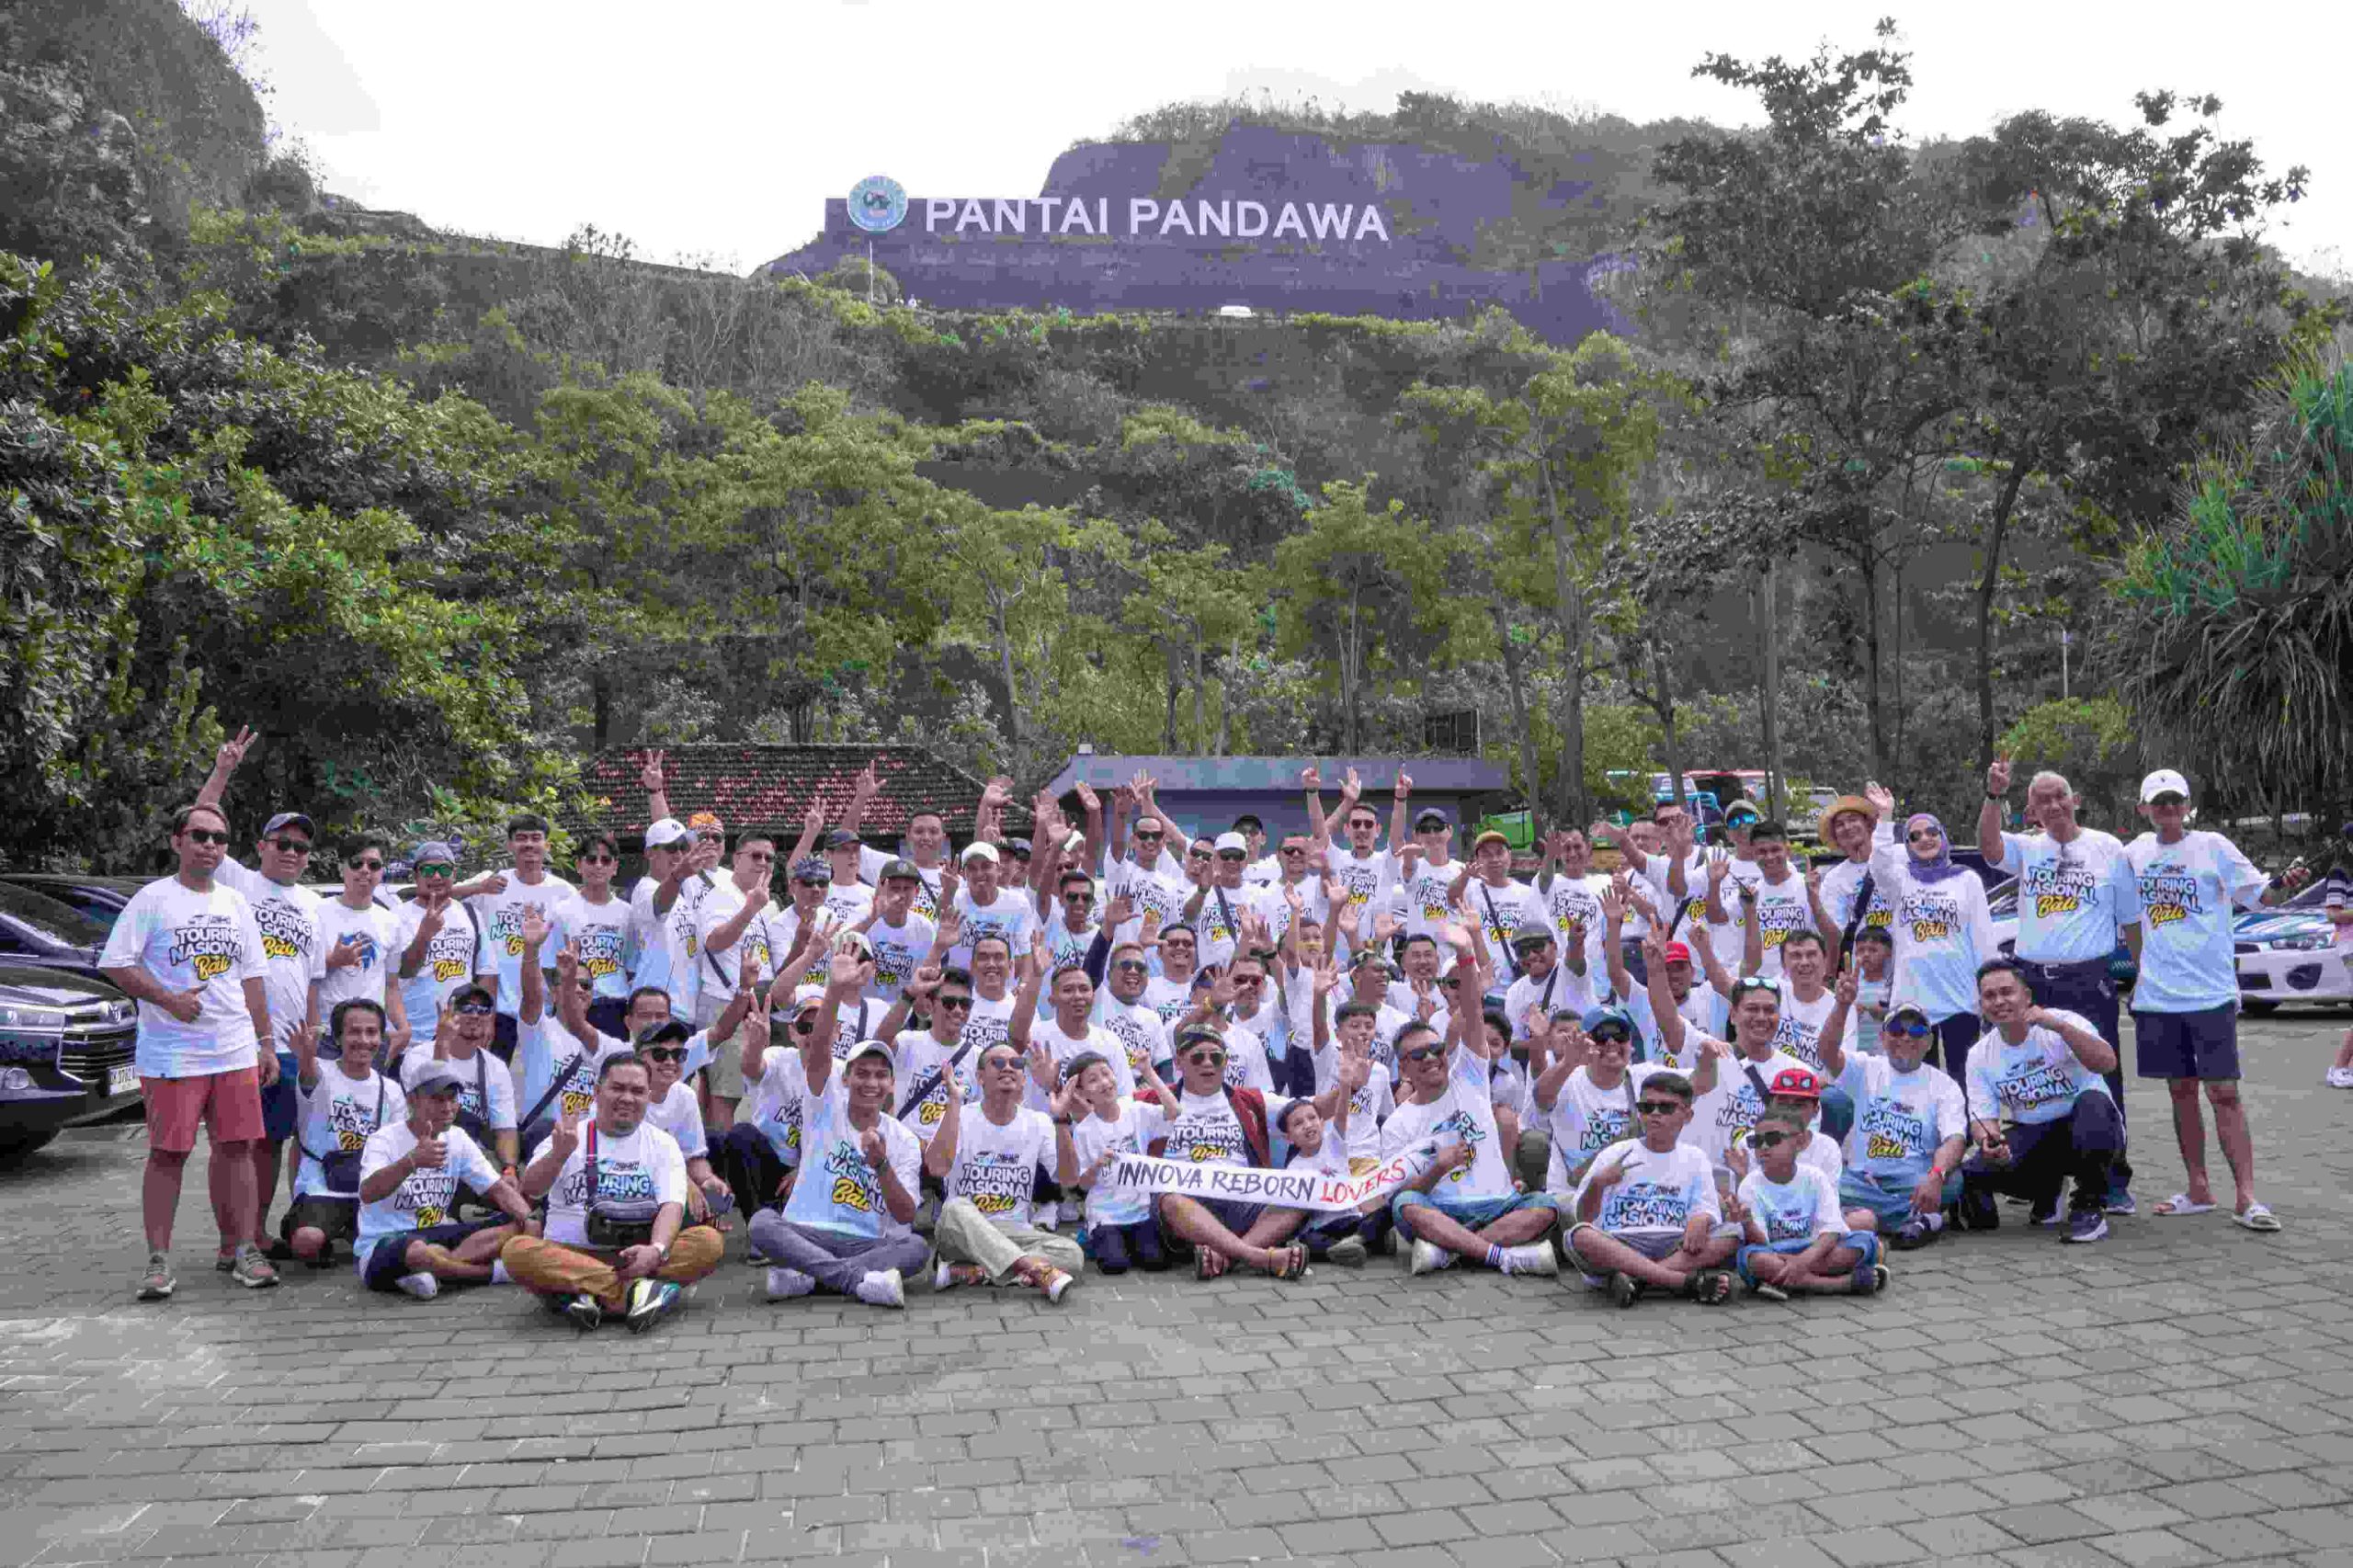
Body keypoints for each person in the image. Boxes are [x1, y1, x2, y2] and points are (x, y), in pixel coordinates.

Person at [98, 801, 279, 1299]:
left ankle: (242, 1249)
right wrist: (168, 1000)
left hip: (234, 1047)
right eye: (199, 836)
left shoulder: (235, 903)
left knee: (238, 1148)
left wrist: (265, 1042)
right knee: (168, 1153)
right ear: (177, 841)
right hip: (173, 1052)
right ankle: (158, 1261)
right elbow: (116, 963)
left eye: (219, 838)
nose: (210, 846)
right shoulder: (153, 899)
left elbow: (253, 978)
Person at [2123, 768, 2303, 1231]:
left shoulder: (2213, 846)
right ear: (2143, 809)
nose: (2168, 808)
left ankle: (2247, 1197)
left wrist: (2283, 883)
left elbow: (2261, 896)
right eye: (2159, 802)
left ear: (2187, 806)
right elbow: (2120, 911)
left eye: (2175, 800)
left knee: (2224, 1092)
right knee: (2181, 1092)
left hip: (2211, 993)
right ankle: (2198, 1189)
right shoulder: (2134, 853)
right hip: (2159, 997)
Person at [1978, 758, 2143, 1213]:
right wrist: (1994, 795)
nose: (2053, 805)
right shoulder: (2028, 849)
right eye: (2042, 800)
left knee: (2102, 1078)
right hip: (2033, 981)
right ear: (2031, 810)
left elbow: (2131, 920)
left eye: (2059, 796)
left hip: (2089, 981)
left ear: (2075, 800)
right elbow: (1990, 847)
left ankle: (2112, 1181)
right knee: (2037, 1077)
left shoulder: (2108, 848)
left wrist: (2142, 977)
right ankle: (2044, 1180)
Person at [750, 948, 931, 1308]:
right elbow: (818, 1048)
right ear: (845, 1079)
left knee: (916, 1247)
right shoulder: (823, 1108)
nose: (871, 1083)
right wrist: (834, 988)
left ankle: (808, 1276)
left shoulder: (903, 1138)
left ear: (892, 1084)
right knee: (762, 1224)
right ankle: (854, 1280)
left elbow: (907, 1215)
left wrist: (881, 1165)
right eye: (861, 1073)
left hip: (866, 1241)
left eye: (880, 1075)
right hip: (808, 1231)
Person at [502, 1053, 722, 1330]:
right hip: (570, 1256)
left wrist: (656, 1250)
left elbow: (672, 1207)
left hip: (637, 1256)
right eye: (617, 1088)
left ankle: (585, 1294)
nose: (627, 1098)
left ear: (648, 1096)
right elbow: (531, 1189)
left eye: (637, 1091)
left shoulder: (663, 1144)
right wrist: (558, 1155)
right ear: (597, 1092)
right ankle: (633, 1295)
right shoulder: (568, 1136)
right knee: (517, 1251)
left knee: (708, 1242)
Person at [1133, 1025, 1346, 1279]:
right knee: (1170, 1201)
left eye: (1216, 1057)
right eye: (1198, 1057)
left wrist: (1349, 1085)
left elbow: (1314, 1109)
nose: (1208, 1063)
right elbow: (1107, 1114)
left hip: (1244, 1200)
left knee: (1302, 1192)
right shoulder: (1151, 1100)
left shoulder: (1249, 1100)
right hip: (1188, 1202)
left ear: (1225, 1062)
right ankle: (1260, 1258)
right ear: (1179, 1062)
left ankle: (1225, 1258)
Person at [1382, 995, 1565, 1277]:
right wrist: (1438, 1168)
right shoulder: (1396, 1125)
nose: (1430, 1058)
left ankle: (1449, 1251)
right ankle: (1504, 1256)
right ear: (1403, 1068)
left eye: (1436, 1050)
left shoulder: (1471, 1079)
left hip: (1498, 1206)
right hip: (1442, 1210)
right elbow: (1400, 1193)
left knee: (1546, 1206)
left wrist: (1471, 972)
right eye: (1418, 1055)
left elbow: (1473, 1012)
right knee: (1405, 1205)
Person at [1958, 959, 2125, 1244]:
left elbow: (2107, 1063)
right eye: (1989, 995)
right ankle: (2048, 1190)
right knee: (1977, 1169)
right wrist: (1990, 1141)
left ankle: (2089, 1205)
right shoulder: (1979, 1055)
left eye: (2007, 992)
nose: (1999, 1001)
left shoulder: (2062, 1022)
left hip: (2090, 1129)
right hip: (2037, 1134)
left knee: (2093, 1105)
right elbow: (1983, 1118)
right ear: (1981, 1004)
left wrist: (2060, 1028)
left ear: (2027, 996)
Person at [354, 1058, 538, 1298]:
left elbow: (498, 1190)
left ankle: (435, 1270)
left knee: (517, 1222)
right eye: (438, 1100)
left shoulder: (457, 1137)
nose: (448, 1107)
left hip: (439, 1232)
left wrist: (530, 1219)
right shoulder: (384, 1139)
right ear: (412, 1100)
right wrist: (411, 1161)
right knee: (417, 1252)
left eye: (452, 1099)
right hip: (387, 1242)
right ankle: (492, 1273)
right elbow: (367, 1193)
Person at [1563, 1071, 1740, 1307]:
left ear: (1687, 1115)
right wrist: (1597, 1184)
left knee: (1733, 1233)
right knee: (1579, 1235)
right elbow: (1583, 1217)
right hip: (1620, 1245)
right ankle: (1682, 1283)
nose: (1655, 1113)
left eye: (1666, 1108)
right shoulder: (1615, 1153)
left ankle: (1638, 1280)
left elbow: (1706, 1206)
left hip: (1674, 1246)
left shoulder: (1695, 1157)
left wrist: (1702, 1218)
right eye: (1647, 1107)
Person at [927, 1041, 1084, 1301]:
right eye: (997, 1063)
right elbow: (936, 1167)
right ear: (980, 1077)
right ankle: (1034, 1270)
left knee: (1073, 1254)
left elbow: (1068, 1179)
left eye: (1016, 1063)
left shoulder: (1039, 1122)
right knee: (954, 1207)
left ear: (1024, 1078)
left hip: (1014, 1231)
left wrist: (1061, 1120)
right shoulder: (960, 1115)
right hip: (964, 1230)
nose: (1008, 1068)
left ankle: (972, 1272)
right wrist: (954, 1102)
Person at [1816, 989, 1967, 1250]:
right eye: (1897, 1030)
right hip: (1860, 1179)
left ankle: (1861, 1217)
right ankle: (1914, 1218)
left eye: (1917, 1031)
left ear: (1929, 1041)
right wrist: (1842, 1006)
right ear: (1882, 1037)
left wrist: (1936, 1175)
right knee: (1826, 1181)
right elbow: (1827, 1053)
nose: (1906, 1037)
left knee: (1952, 1182)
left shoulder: (1945, 1086)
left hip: (1911, 1182)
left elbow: (1955, 1139)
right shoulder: (1865, 1068)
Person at [1867, 812, 1997, 1083]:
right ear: (1907, 844)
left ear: (1943, 835)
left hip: (1960, 999)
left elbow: (1983, 940)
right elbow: (1879, 864)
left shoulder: (1967, 879)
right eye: (1915, 836)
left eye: (1932, 832)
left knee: (1965, 1078)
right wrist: (1885, 818)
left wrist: (1989, 991)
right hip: (1912, 1000)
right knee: (1917, 1080)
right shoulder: (1900, 881)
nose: (1925, 839)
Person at [279, 998, 407, 1267]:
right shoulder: (320, 1072)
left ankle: (353, 1233)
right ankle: (331, 1234)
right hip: (323, 1189)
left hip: (370, 1189)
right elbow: (309, 1075)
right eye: (354, 1032)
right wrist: (305, 1057)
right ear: (338, 1038)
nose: (364, 1040)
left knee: (406, 1241)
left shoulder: (391, 1090)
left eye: (371, 1032)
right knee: (307, 1242)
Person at [1531, 1003, 1711, 1193]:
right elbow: (1541, 1098)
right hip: (1573, 1195)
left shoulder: (1645, 1076)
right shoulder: (1567, 1078)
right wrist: (1568, 1062)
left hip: (1635, 1195)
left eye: (1620, 1035)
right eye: (1601, 1036)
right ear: (1585, 1041)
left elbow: (1702, 1083)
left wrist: (1709, 1057)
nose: (1612, 1043)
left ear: (1631, 1045)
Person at [1731, 1105, 1886, 1300]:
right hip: (1776, 1252)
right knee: (1754, 1259)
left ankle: (1787, 1282)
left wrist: (1802, 1261)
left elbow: (1832, 1230)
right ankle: (1841, 1284)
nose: (1763, 1147)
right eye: (1757, 1141)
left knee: (1865, 1240)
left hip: (1815, 1249)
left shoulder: (1815, 1177)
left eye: (1772, 1139)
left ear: (1799, 1142)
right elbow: (1762, 1242)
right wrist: (1748, 1224)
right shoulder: (1749, 1185)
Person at [456, 812, 575, 1059]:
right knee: (488, 1075)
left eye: (536, 838)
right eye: (521, 838)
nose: (529, 844)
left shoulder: (564, 892)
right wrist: (479, 887)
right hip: (495, 1008)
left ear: (547, 845)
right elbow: (436, 895)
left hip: (542, 1008)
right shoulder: (492, 881)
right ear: (509, 845)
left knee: (543, 1078)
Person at [399, 983, 521, 1187]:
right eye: (466, 1008)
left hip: (476, 1159)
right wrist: (443, 1042)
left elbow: (505, 1128)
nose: (475, 1015)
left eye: (483, 1010)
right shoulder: (418, 1056)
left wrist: (509, 1170)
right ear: (448, 1013)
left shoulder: (496, 1067)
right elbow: (432, 1108)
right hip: (429, 1153)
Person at [1068, 1051, 1179, 1273]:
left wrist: (1148, 1072)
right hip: (1106, 1214)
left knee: (1156, 1262)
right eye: (1093, 1080)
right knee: (1114, 1266)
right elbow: (1083, 1184)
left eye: (1106, 1073)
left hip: (1140, 1210)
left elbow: (1174, 1111)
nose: (1104, 1082)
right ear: (1081, 1092)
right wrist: (1097, 1166)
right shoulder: (1083, 1131)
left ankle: (1125, 1243)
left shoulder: (1134, 1110)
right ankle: (1093, 1236)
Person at [313, 832, 409, 1065]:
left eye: (373, 865)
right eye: (357, 863)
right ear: (342, 868)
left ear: (381, 871)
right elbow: (303, 976)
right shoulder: (316, 912)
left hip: (372, 1038)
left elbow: (391, 985)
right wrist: (333, 961)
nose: (365, 870)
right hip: (327, 1036)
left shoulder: (391, 922)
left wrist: (404, 1028)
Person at [393, 843, 480, 1070]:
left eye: (444, 869)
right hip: (412, 1040)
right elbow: (404, 970)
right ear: (415, 875)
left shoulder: (470, 914)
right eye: (428, 870)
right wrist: (425, 934)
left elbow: (486, 973)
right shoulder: (397, 917)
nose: (437, 877)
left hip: (460, 1037)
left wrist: (486, 1024)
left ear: (454, 873)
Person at [550, 831, 632, 1040]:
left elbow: (631, 967)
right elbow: (550, 967)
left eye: (606, 860)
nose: (598, 865)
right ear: (579, 865)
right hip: (574, 1005)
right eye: (591, 859)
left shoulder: (628, 913)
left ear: (615, 867)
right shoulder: (561, 911)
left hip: (615, 1008)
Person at [1451, 829, 1541, 983]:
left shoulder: (1528, 894)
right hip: (1480, 983)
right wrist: (1464, 876)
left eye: (1500, 853)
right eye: (1486, 854)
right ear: (1476, 859)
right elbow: (1451, 897)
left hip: (1520, 982)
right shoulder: (1469, 891)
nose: (1494, 859)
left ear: (1509, 856)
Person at [946, 842, 1036, 971]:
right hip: (961, 982)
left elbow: (1026, 952)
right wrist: (948, 892)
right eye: (972, 868)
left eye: (986, 866)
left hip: (1001, 982)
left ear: (999, 870)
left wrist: (1024, 982)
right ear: (964, 874)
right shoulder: (955, 898)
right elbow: (940, 912)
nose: (979, 873)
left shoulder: (1018, 903)